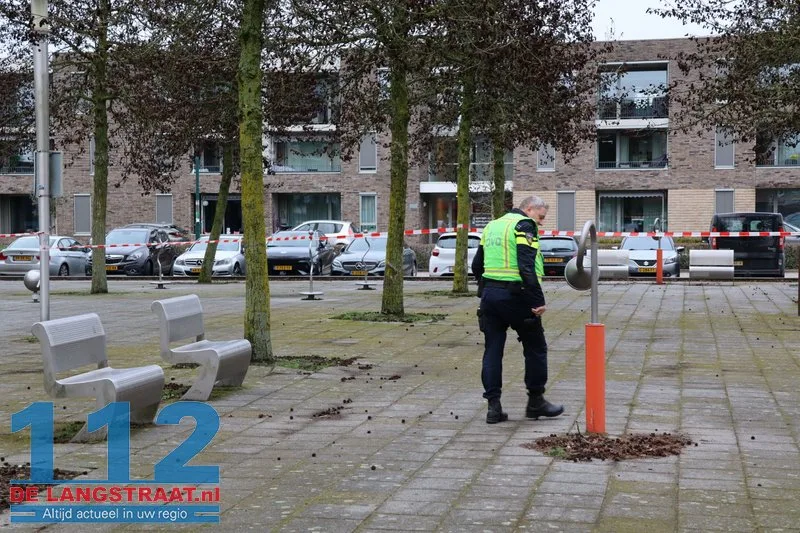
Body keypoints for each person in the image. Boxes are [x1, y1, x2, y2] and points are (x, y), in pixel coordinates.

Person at [471, 196, 563, 424]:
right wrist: (537, 300)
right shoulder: (524, 225)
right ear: (529, 209)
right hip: (517, 296)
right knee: (536, 347)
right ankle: (536, 402)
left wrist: (486, 289)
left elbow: (476, 266)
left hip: (490, 298)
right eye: (540, 217)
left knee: (492, 350)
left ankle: (493, 408)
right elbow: (526, 265)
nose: (540, 223)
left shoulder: (492, 226)